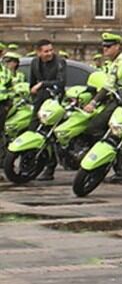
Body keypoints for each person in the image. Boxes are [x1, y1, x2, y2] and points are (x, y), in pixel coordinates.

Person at [27, 39, 67, 180]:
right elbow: (32, 84)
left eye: (51, 50)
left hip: (54, 102)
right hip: (39, 101)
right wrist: (33, 95)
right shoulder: (34, 63)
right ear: (38, 52)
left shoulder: (60, 62)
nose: (49, 53)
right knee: (32, 129)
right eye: (46, 51)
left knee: (50, 135)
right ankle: (29, 164)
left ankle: (50, 168)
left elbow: (61, 82)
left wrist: (43, 84)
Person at [84, 33, 122, 141]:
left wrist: (93, 103)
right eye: (104, 46)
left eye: (108, 46)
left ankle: (108, 146)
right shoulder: (113, 62)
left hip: (121, 101)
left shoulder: (121, 62)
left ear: (117, 46)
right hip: (114, 98)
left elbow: (108, 86)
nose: (105, 49)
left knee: (94, 126)